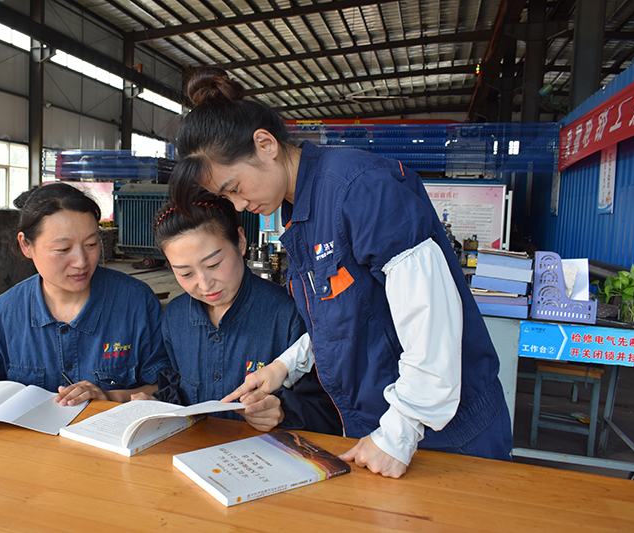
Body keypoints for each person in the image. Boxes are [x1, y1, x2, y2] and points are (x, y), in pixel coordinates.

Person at [168, 66, 513, 478]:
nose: (239, 205)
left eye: (235, 187)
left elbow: (432, 321)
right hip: (377, 430)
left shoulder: (361, 188)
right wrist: (285, 366)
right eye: (226, 197)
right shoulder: (300, 213)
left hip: (444, 435)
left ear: (265, 144)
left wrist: (400, 430)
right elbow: (345, 313)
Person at [0, 183, 170, 406]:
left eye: (91, 245)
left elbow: (167, 387)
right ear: (26, 245)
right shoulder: (5, 313)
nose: (81, 262)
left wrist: (109, 397)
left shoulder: (136, 303)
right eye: (63, 249)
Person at [147, 190, 341, 435]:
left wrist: (283, 413)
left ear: (240, 241)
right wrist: (157, 406)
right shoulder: (175, 316)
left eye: (213, 264)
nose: (205, 285)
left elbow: (329, 410)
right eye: (186, 273)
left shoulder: (288, 314)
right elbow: (175, 386)